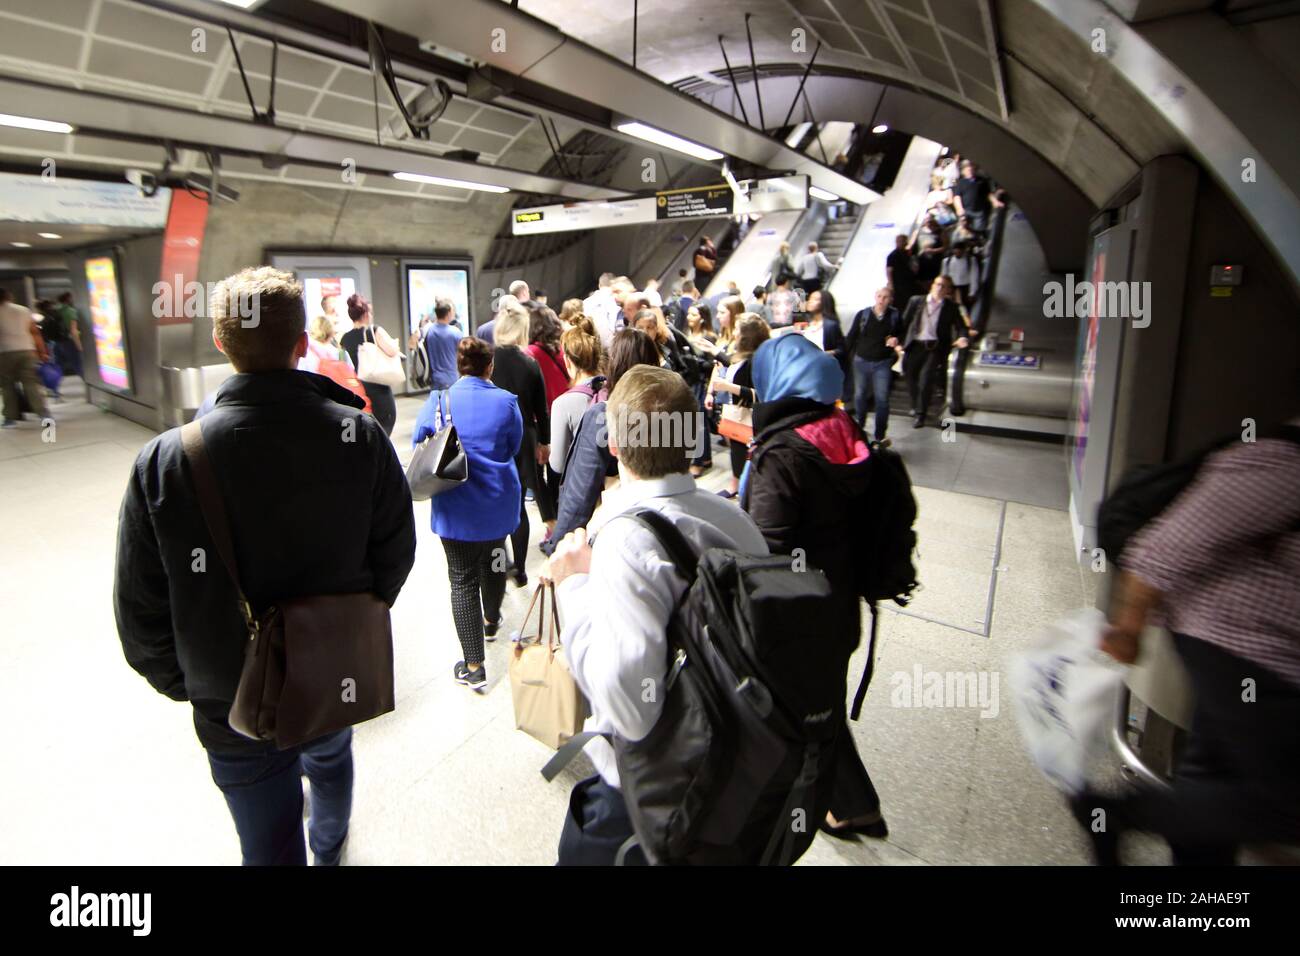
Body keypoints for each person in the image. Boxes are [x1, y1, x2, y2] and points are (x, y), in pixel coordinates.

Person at [114, 267, 416, 866]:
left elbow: (139, 614)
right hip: (332, 671)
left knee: (265, 841)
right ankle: (329, 848)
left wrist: (202, 683)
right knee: (330, 763)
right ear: (303, 343)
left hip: (228, 701)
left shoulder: (166, 462)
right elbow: (394, 557)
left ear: (221, 345)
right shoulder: (359, 436)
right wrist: (346, 628)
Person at [547, 365, 769, 865]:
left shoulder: (626, 542)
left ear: (616, 447)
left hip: (653, 799)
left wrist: (574, 583)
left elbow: (631, 713)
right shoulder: (736, 519)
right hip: (739, 770)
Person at [1078, 429, 1300, 864]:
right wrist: (1127, 630)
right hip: (1248, 646)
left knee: (1214, 775)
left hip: (1250, 648)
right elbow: (1166, 547)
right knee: (1287, 802)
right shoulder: (1285, 463)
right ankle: (1119, 812)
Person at [741, 332, 887, 840]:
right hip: (842, 600)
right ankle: (850, 803)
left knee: (808, 707)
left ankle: (834, 805)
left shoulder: (784, 452)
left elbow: (767, 544)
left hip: (798, 611)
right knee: (820, 702)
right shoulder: (843, 428)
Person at [414, 337, 523, 692]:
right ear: (489, 366)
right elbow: (513, 446)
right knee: (493, 562)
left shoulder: (439, 400)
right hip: (496, 501)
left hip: (455, 504)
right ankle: (491, 620)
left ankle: (474, 665)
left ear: (461, 366)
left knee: (462, 580)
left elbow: (420, 438)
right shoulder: (506, 402)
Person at [544, 328, 661, 554]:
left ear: (612, 364)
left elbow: (579, 491)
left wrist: (557, 546)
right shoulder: (670, 406)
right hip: (664, 517)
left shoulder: (603, 414)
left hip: (619, 522)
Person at [491, 304, 553, 581]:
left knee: (495, 498)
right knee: (518, 505)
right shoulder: (530, 363)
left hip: (493, 437)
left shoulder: (487, 360)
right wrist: (545, 442)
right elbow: (542, 410)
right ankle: (521, 569)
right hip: (525, 438)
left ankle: (498, 561)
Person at [708, 314, 769, 499]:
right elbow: (735, 368)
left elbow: (758, 393)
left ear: (746, 336)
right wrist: (716, 352)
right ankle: (738, 485)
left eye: (737, 330)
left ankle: (743, 489)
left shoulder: (756, 360)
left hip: (750, 415)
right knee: (737, 448)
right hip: (738, 412)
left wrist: (727, 387)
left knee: (743, 451)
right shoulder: (744, 355)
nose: (733, 332)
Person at [900, 275, 968, 428]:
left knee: (925, 380)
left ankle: (920, 414)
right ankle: (915, 404)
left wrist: (963, 337)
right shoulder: (916, 301)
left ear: (948, 291)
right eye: (937, 284)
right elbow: (903, 323)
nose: (939, 288)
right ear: (932, 285)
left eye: (944, 286)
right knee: (910, 378)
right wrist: (896, 341)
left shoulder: (951, 307)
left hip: (934, 348)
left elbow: (962, 327)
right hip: (914, 345)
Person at [845, 287, 904, 441]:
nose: (881, 300)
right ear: (875, 297)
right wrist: (842, 355)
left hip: (882, 362)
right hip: (861, 360)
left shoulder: (895, 316)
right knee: (859, 395)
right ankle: (860, 425)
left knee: (882, 399)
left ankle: (879, 434)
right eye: (879, 296)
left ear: (890, 299)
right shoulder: (863, 314)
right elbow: (851, 336)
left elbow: (901, 333)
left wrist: (896, 339)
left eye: (885, 297)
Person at [550, 317, 605, 477]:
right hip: (619, 486)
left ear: (567, 361)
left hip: (585, 489)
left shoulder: (563, 404)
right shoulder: (617, 390)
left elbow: (558, 464)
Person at [340, 293, 400, 436]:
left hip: (360, 388)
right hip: (379, 387)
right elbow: (392, 351)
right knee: (384, 426)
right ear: (366, 313)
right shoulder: (374, 331)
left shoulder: (344, 338)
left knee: (368, 428)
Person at [0, 288, 50, 427]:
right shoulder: (23, 310)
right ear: (9, 296)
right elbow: (35, 333)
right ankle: (44, 414)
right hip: (27, 351)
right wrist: (42, 351)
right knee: (31, 384)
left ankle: (10, 419)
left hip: (4, 353)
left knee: (7, 386)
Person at [421, 298, 466, 391]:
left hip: (434, 379)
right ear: (449, 313)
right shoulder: (455, 332)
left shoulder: (428, 330)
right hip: (451, 379)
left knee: (438, 404)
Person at [952, 159, 1002, 236]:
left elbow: (988, 193)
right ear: (963, 171)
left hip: (979, 211)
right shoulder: (961, 183)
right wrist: (959, 209)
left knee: (979, 232)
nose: (969, 169)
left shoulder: (982, 180)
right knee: (963, 231)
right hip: (966, 211)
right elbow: (957, 197)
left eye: (971, 167)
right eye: (966, 168)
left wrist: (995, 201)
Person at [582, 273, 620, 348]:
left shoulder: (585, 303)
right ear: (615, 285)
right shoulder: (618, 302)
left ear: (599, 285)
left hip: (592, 348)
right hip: (614, 349)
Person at [942, 241, 980, 309]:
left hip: (964, 288)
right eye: (956, 252)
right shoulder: (947, 261)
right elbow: (944, 276)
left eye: (960, 252)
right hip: (952, 288)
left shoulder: (970, 260)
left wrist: (972, 292)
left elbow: (974, 277)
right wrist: (944, 291)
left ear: (964, 251)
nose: (958, 254)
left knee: (964, 309)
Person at [886, 233, 918, 306]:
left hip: (908, 281)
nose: (903, 243)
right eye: (901, 241)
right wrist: (891, 284)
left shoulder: (907, 253)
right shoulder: (892, 255)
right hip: (899, 283)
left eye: (904, 241)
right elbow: (889, 271)